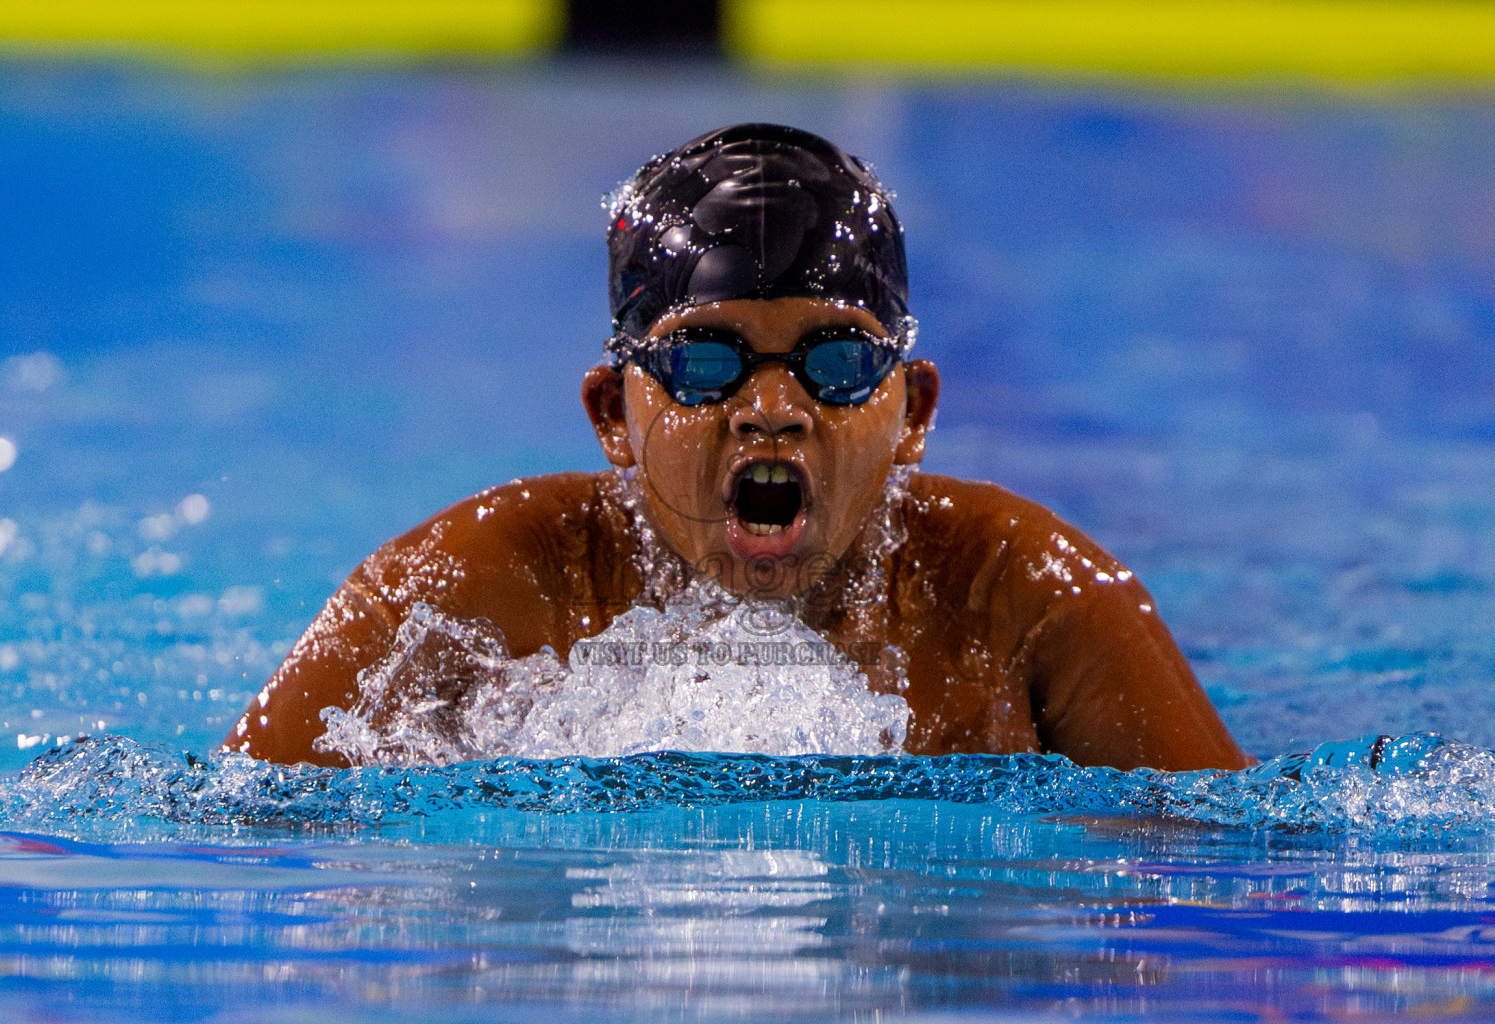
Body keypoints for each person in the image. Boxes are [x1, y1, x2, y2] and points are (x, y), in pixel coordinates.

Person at [224, 123, 1251, 772]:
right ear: (613, 416)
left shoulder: (1033, 600)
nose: (771, 407)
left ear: (914, 410)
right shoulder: (471, 590)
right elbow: (228, 831)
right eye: (707, 364)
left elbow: (1243, 883)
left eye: (837, 363)